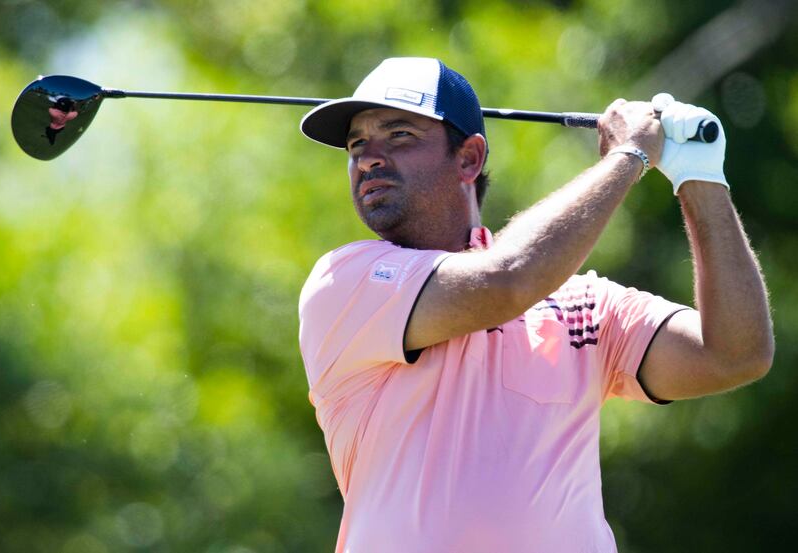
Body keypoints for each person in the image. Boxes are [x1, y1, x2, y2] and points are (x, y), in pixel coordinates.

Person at [297, 57, 774, 552]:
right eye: (357, 144)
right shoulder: (346, 283)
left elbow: (735, 354)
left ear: (468, 159)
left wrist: (699, 176)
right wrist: (627, 157)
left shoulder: (581, 303)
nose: (368, 158)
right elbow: (508, 279)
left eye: (399, 136)